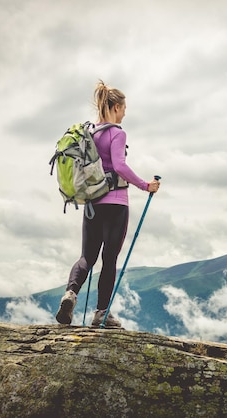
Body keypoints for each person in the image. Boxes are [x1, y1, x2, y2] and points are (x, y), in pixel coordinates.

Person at [55, 80, 160, 328]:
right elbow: (120, 165)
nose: (124, 113)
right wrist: (145, 185)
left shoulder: (89, 133)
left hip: (92, 203)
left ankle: (70, 293)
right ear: (114, 107)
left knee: (86, 257)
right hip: (116, 205)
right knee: (109, 259)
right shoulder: (117, 133)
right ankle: (101, 313)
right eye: (123, 108)